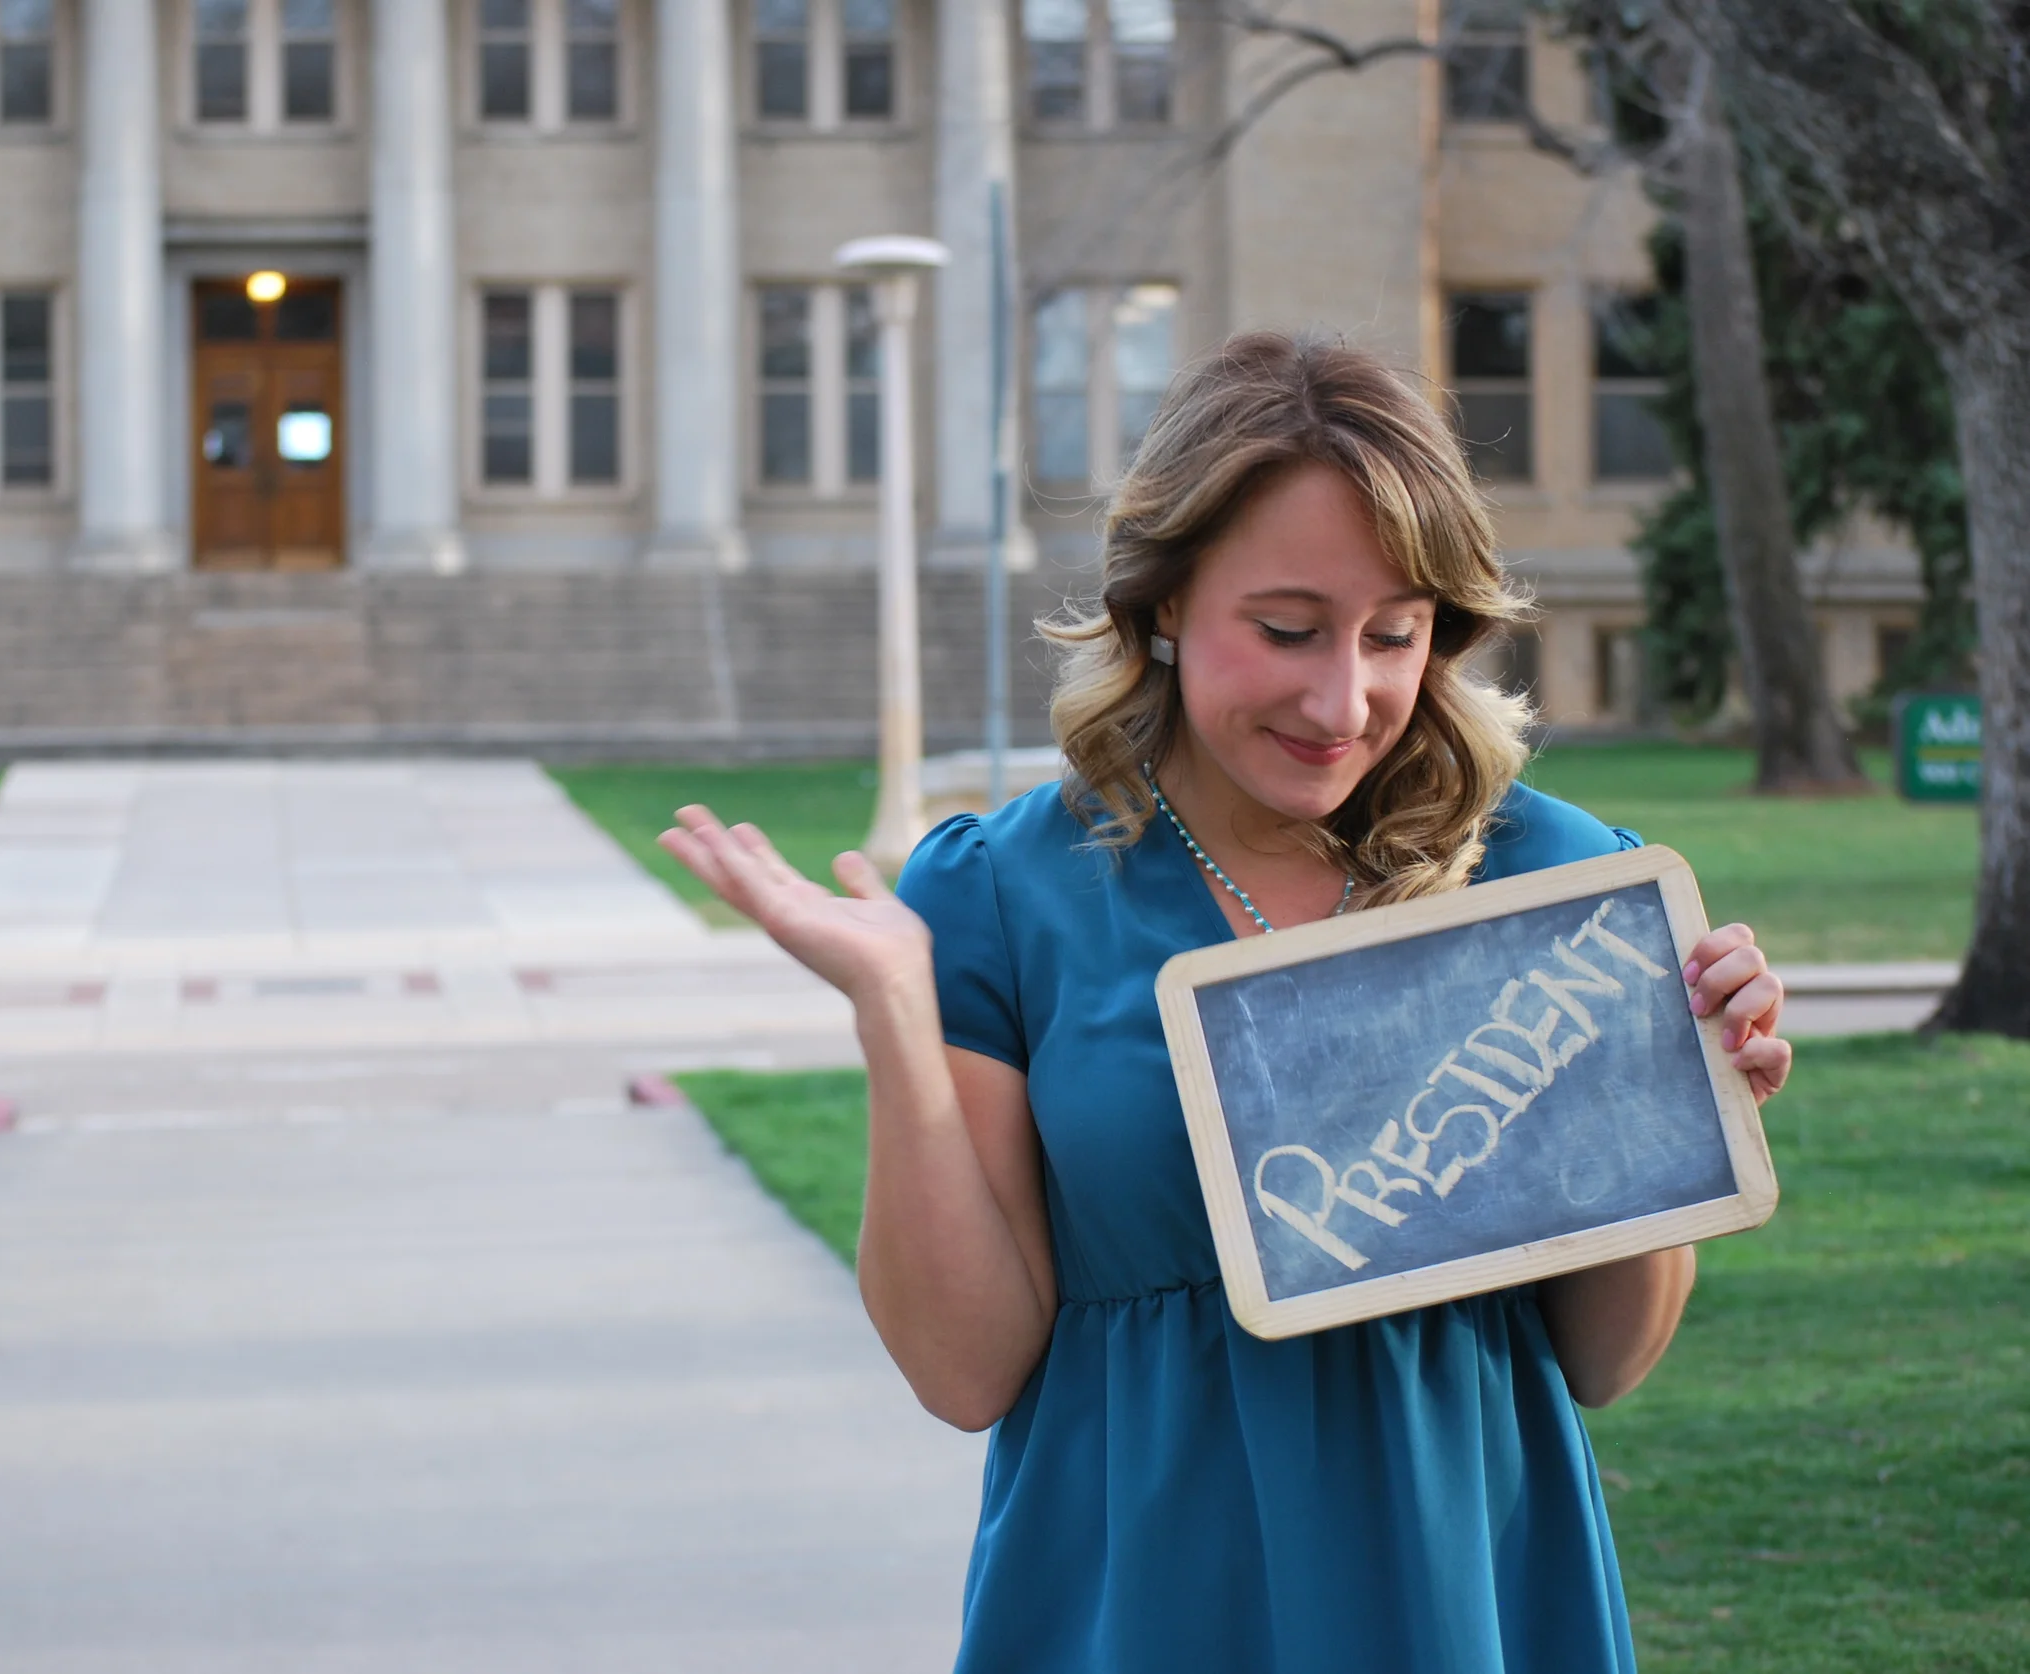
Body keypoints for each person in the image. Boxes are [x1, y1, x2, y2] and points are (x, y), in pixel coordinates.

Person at [659, 331, 1792, 1673]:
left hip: (1466, 1598)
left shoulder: (1561, 880)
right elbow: (965, 1372)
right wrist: (896, 1013)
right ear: (1161, 606)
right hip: (1132, 1599)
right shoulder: (1003, 895)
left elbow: (1604, 1358)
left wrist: (1667, 1102)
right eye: (1288, 628)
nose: (1343, 696)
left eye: (1396, 633)